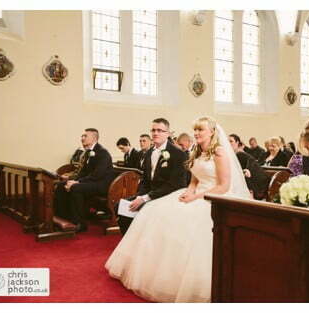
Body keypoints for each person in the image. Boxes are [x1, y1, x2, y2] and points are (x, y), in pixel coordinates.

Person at [105, 116, 251, 303]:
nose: (197, 133)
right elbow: (194, 180)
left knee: (185, 223)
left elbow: (223, 186)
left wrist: (196, 197)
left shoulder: (220, 152)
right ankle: (155, 272)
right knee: (155, 211)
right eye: (195, 130)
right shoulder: (197, 152)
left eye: (201, 130)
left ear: (212, 132)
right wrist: (189, 191)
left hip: (215, 198)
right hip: (195, 193)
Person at [117, 118, 188, 235]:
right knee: (120, 206)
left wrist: (146, 198)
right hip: (150, 194)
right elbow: (146, 180)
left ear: (168, 133)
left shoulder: (178, 154)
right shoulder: (149, 152)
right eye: (153, 130)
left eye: (160, 130)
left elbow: (176, 184)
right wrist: (139, 196)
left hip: (168, 196)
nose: (155, 133)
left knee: (142, 209)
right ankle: (132, 239)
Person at [54, 128, 114, 232]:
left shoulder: (103, 153)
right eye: (82, 136)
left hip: (102, 185)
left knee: (76, 188)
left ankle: (80, 223)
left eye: (85, 136)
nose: (82, 138)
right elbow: (83, 172)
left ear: (94, 138)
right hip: (92, 182)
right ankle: (64, 217)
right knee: (61, 185)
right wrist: (72, 180)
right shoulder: (88, 153)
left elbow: (97, 175)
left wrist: (77, 182)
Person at [229, 134, 271, 201]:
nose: (229, 143)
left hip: (255, 183)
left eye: (231, 141)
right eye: (227, 141)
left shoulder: (240, 154)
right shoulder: (233, 154)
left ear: (237, 143)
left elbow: (248, 170)